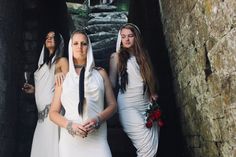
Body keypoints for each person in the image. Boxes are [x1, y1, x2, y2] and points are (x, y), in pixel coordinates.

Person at [49, 30, 117, 157]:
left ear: (89, 47)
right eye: (75, 43)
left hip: (98, 139)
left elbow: (113, 105)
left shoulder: (100, 74)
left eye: (83, 43)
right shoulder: (63, 77)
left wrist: (98, 119)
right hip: (70, 141)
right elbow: (53, 113)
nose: (79, 47)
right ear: (70, 47)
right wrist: (69, 125)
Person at [109, 23, 159, 157]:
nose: (127, 39)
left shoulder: (144, 56)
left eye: (130, 36)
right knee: (146, 146)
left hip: (147, 105)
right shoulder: (116, 57)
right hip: (127, 104)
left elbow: (150, 79)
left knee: (153, 147)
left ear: (136, 37)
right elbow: (112, 83)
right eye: (123, 36)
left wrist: (153, 93)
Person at [22, 31, 69, 157]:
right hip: (41, 118)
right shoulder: (41, 65)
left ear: (59, 42)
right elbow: (46, 87)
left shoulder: (62, 61)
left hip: (54, 114)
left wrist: (59, 70)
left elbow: (69, 84)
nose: (49, 39)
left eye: (53, 37)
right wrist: (35, 90)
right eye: (47, 37)